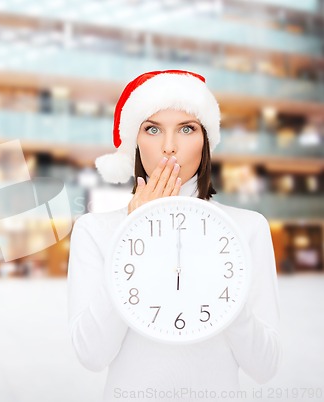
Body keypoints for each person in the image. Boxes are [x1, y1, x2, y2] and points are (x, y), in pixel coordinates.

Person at [67, 70, 281, 401]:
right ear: (135, 142)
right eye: (152, 129)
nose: (169, 146)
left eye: (186, 128)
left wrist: (227, 289)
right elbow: (92, 355)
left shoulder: (247, 228)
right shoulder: (96, 231)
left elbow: (264, 366)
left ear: (206, 139)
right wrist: (132, 238)